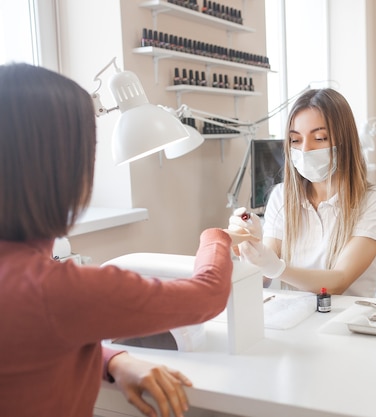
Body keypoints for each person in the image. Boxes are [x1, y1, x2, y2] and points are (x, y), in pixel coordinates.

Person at [0, 63, 248, 417]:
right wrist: (217, 236)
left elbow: (35, 343)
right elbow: (208, 294)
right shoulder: (57, 290)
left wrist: (115, 360)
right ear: (64, 169)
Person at [227, 88, 376, 296]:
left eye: (320, 138)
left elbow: (339, 282)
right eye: (296, 140)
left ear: (345, 142)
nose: (305, 150)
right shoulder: (281, 197)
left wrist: (277, 267)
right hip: (296, 320)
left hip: (349, 322)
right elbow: (262, 278)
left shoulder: (375, 200)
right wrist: (251, 247)